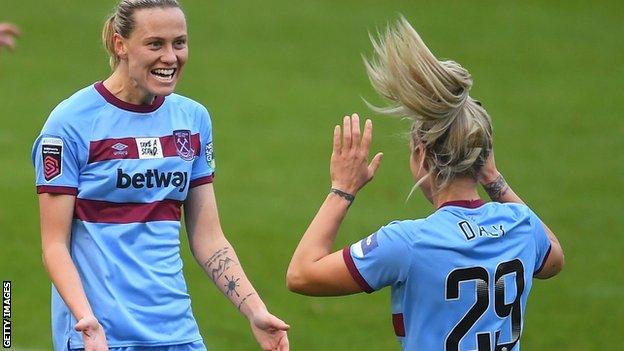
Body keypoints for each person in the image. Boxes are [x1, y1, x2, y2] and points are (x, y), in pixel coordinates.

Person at [287, 17, 564, 351]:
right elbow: (554, 258)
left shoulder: (408, 242)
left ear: (422, 154)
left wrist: (342, 189)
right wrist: (494, 180)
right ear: (482, 158)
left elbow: (301, 274)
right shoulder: (521, 225)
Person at [32, 1, 288, 350]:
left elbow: (209, 238)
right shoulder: (70, 124)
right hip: (101, 337)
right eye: (155, 44)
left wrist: (254, 310)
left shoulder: (193, 120)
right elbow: (54, 245)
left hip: (178, 335)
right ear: (120, 45)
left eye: (179, 43)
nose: (170, 57)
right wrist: (86, 322)